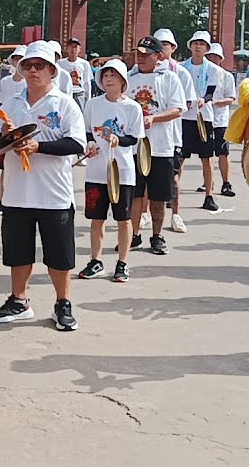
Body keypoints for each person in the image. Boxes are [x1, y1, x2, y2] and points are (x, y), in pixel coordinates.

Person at [0, 40, 86, 331]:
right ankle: (19, 301)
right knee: (18, 252)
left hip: (53, 194)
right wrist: (5, 138)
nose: (32, 71)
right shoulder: (12, 103)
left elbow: (76, 143)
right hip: (17, 193)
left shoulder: (64, 103)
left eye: (39, 66)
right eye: (27, 66)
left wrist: (38, 146)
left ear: (52, 71)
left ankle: (62, 303)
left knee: (59, 255)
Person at [78, 58, 144, 282]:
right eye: (105, 76)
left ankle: (122, 263)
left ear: (123, 80)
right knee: (96, 219)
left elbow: (135, 138)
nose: (108, 80)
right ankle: (95, 261)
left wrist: (118, 139)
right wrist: (89, 143)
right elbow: (87, 131)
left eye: (113, 76)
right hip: (96, 171)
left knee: (123, 219)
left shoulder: (133, 107)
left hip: (121, 171)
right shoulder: (92, 104)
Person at [125, 36, 185, 255]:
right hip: (133, 146)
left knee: (158, 195)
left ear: (158, 56)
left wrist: (154, 118)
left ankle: (157, 236)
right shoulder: (128, 78)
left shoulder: (169, 79)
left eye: (145, 54)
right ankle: (133, 235)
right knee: (135, 194)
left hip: (160, 146)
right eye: (138, 53)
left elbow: (178, 109)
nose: (140, 58)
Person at [152, 28, 195, 233]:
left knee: (173, 179)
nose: (161, 49)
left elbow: (186, 105)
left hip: (171, 135)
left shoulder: (180, 73)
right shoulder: (140, 71)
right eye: (157, 45)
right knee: (143, 181)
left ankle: (175, 214)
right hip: (146, 136)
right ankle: (144, 215)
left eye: (165, 45)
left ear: (173, 48)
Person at [182, 31, 230, 209]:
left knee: (206, 158)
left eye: (202, 44)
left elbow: (210, 91)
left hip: (205, 117)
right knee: (179, 158)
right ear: (190, 46)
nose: (198, 46)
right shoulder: (182, 67)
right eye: (195, 43)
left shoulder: (213, 69)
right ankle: (173, 194)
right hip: (185, 117)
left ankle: (209, 196)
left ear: (207, 48)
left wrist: (204, 99)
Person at [0, 45, 27, 216]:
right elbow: (2, 106)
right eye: (16, 59)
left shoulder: (30, 81)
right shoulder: (5, 81)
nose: (18, 62)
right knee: (6, 166)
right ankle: (3, 199)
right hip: (8, 127)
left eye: (22, 59)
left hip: (25, 129)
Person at [205, 43, 237, 197]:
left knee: (223, 153)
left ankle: (226, 182)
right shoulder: (203, 75)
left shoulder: (226, 76)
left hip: (220, 120)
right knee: (206, 154)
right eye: (210, 56)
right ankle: (208, 182)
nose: (212, 59)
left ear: (220, 59)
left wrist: (215, 103)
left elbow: (230, 98)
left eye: (215, 57)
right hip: (204, 119)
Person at [60, 37, 92, 111]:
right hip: (65, 93)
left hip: (79, 93)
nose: (73, 50)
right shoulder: (60, 63)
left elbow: (87, 82)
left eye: (75, 47)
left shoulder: (85, 64)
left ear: (79, 49)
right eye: (71, 47)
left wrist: (88, 98)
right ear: (67, 48)